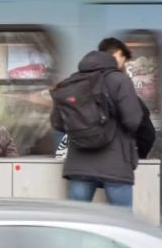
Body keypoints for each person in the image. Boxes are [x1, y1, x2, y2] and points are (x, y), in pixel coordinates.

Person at [52, 38, 143, 207]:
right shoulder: (120, 80)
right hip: (115, 164)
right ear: (117, 55)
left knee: (77, 222)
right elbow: (133, 120)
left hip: (79, 165)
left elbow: (58, 123)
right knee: (122, 224)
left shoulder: (73, 81)